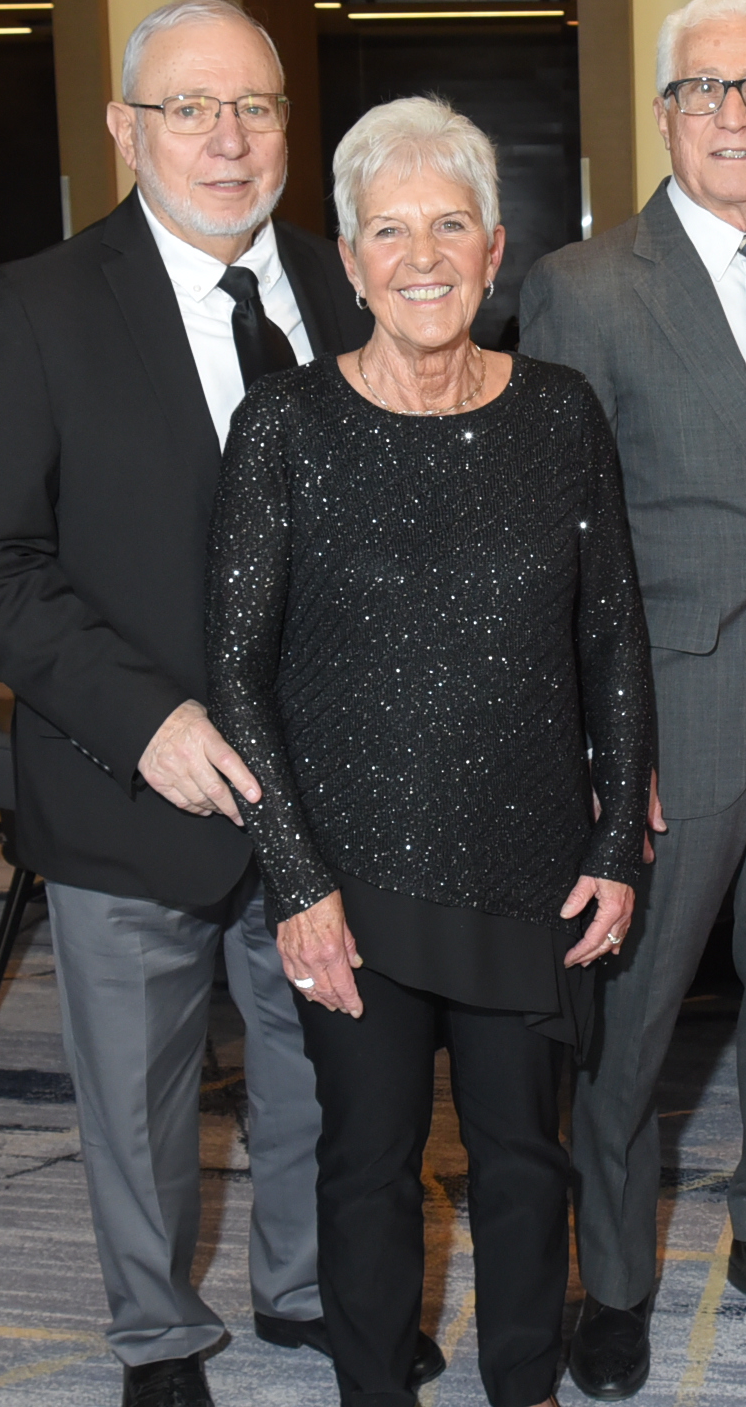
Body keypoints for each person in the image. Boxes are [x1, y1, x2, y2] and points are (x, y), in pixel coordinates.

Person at [0, 0, 419, 1407]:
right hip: (127, 780)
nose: (226, 139)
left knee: (321, 1062)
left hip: (321, 789)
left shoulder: (345, 281)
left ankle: (305, 1285)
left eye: (254, 106)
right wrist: (144, 721)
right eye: (190, 108)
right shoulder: (37, 304)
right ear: (124, 130)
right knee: (138, 1093)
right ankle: (155, 1334)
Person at [207, 96, 651, 1407]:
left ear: (495, 248)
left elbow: (612, 641)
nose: (422, 256)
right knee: (366, 1165)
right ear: (348, 260)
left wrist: (616, 844)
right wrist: (296, 880)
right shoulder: (285, 425)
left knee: (524, 1160)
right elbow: (235, 674)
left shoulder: (560, 414)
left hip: (528, 872)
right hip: (350, 881)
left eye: (450, 224)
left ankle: (523, 1386)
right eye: (388, 230)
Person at [519, 0, 746, 1398]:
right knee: (631, 1017)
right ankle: (612, 1279)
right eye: (703, 90)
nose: (733, 114)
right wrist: (602, 745)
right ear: (664, 115)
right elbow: (560, 535)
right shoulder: (584, 285)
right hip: (665, 707)